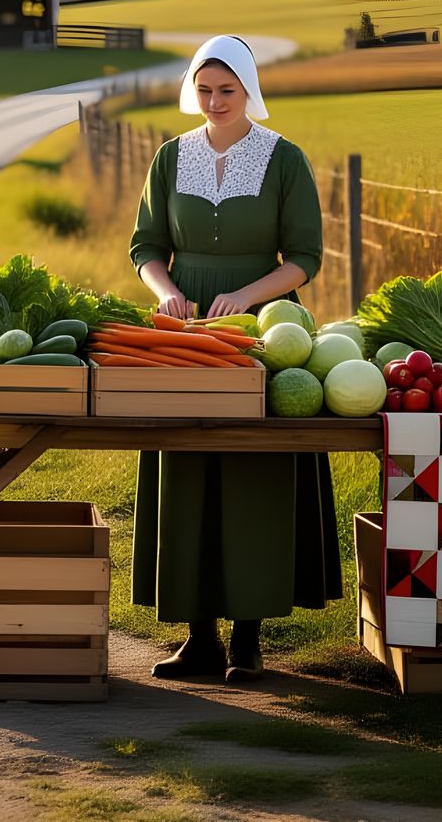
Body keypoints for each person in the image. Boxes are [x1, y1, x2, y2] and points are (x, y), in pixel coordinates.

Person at [128, 35, 342, 683]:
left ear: (249, 90)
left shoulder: (285, 160)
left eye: (226, 89)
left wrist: (244, 297)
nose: (214, 101)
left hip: (263, 329)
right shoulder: (169, 158)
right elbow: (146, 246)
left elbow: (305, 256)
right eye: (204, 89)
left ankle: (249, 638)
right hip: (186, 334)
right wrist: (168, 294)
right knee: (188, 462)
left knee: (254, 469)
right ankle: (199, 638)